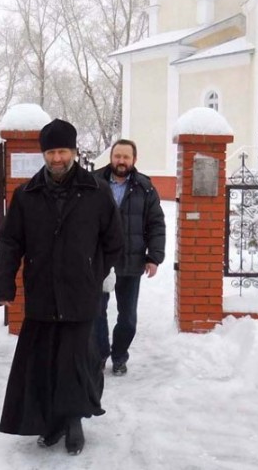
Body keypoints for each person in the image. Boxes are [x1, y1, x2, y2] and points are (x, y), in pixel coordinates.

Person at [0, 119, 123, 456]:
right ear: (44, 154)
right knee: (44, 361)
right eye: (50, 152)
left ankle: (74, 420)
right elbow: (10, 243)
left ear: (74, 151)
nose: (56, 158)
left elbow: (114, 241)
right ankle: (52, 420)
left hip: (81, 295)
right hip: (42, 294)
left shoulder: (97, 191)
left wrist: (93, 273)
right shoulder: (27, 195)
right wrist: (4, 285)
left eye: (62, 151)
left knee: (75, 361)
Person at [94, 139, 166, 376]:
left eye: (126, 157)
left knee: (128, 319)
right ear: (111, 157)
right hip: (100, 262)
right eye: (117, 156)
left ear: (134, 159)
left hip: (131, 260)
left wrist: (154, 257)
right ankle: (100, 354)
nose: (121, 161)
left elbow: (156, 223)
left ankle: (119, 356)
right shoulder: (93, 183)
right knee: (96, 313)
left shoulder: (145, 187)